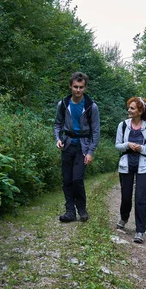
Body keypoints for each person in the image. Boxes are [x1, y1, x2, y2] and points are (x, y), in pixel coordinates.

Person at [54, 72, 101, 222]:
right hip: (67, 145)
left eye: (81, 87)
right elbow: (57, 124)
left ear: (85, 87)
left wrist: (90, 152)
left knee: (77, 179)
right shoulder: (63, 104)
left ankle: (82, 210)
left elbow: (95, 130)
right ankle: (70, 212)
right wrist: (58, 139)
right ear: (70, 86)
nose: (78, 90)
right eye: (75, 87)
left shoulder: (91, 106)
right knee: (67, 179)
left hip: (83, 146)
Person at [115, 97, 146, 243]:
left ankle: (140, 230)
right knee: (126, 196)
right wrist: (128, 145)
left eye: (132, 108)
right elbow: (117, 145)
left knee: (140, 198)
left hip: (143, 165)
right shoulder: (122, 125)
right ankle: (124, 218)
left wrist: (142, 148)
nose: (129, 110)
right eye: (129, 107)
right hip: (126, 164)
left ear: (140, 111)